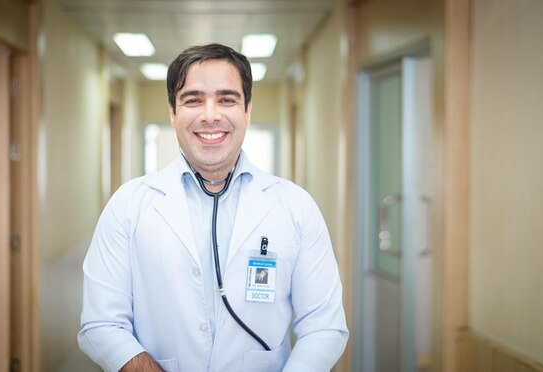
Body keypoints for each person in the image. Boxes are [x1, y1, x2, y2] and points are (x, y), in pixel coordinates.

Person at [78, 43, 348, 372]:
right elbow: (100, 324)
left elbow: (324, 327)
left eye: (226, 99)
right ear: (172, 112)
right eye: (192, 99)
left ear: (248, 109)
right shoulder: (128, 205)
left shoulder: (295, 207)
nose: (210, 115)